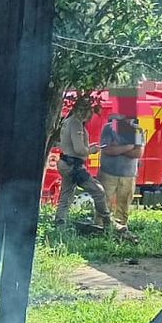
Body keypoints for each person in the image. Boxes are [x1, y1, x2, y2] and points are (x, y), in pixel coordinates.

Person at [54, 96, 109, 230]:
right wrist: (92, 150)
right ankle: (107, 221)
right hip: (73, 166)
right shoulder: (76, 123)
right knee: (98, 191)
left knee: (66, 195)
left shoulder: (67, 121)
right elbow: (79, 149)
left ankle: (59, 225)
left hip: (65, 162)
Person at [98, 101, 146, 240]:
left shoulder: (137, 131)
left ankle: (121, 231)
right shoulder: (108, 128)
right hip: (108, 173)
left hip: (128, 175)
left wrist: (119, 149)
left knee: (124, 204)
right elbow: (108, 149)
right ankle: (100, 228)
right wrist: (129, 147)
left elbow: (138, 153)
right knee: (103, 201)